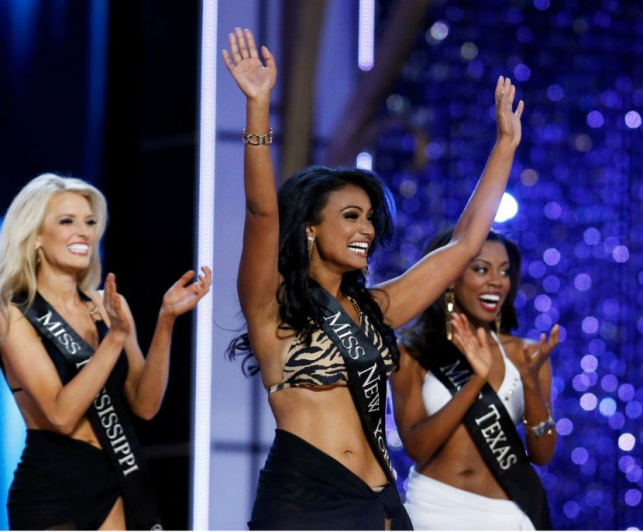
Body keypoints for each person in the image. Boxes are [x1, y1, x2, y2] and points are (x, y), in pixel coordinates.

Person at [222, 27, 524, 530]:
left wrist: (505, 147)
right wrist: (257, 107)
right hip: (306, 501)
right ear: (311, 229)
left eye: (368, 217)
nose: (366, 229)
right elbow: (261, 213)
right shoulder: (271, 308)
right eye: (350, 216)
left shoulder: (376, 308)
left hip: (380, 502)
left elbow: (466, 242)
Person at [0, 173, 211, 530]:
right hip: (53, 486)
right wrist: (114, 338)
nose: (83, 232)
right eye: (67, 221)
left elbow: (145, 406)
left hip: (114, 476)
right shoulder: (12, 312)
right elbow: (60, 415)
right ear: (35, 235)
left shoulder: (109, 305)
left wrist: (165, 321)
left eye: (89, 222)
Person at [392, 227, 559, 530]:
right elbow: (417, 448)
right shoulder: (411, 352)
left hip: (505, 515)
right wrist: (475, 381)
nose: (496, 282)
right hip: (432, 509)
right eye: (481, 269)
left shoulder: (528, 354)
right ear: (449, 278)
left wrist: (531, 383)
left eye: (505, 272)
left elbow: (543, 454)